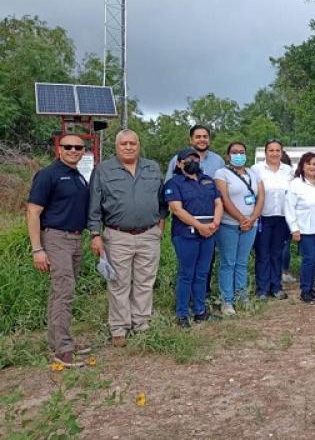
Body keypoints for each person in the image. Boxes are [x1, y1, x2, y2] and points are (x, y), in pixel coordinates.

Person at [88, 130, 168, 348]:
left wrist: (160, 226)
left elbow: (162, 200)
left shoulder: (152, 168)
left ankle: (141, 322)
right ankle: (119, 327)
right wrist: (95, 234)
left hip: (149, 235)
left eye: (133, 143)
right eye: (124, 143)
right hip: (117, 235)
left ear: (139, 145)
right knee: (118, 282)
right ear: (117, 146)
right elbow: (93, 205)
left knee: (145, 281)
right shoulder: (103, 170)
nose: (129, 147)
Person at [26, 134, 92, 367]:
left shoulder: (78, 176)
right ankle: (63, 350)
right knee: (65, 290)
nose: (73, 150)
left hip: (75, 239)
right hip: (56, 238)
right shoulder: (48, 175)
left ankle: (58, 340)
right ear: (59, 149)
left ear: (83, 151)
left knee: (60, 291)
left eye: (78, 147)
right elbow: (33, 211)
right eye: (68, 146)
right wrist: (37, 249)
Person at [165, 148, 223, 328]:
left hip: (209, 234)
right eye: (188, 159)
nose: (193, 162)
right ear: (179, 163)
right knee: (186, 274)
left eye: (196, 159)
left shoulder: (208, 180)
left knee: (202, 274)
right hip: (186, 235)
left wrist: (215, 224)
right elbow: (177, 209)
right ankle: (182, 314)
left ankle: (200, 311)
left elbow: (218, 203)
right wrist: (200, 227)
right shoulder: (174, 183)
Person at [165, 124, 226, 296]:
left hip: (211, 223)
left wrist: (215, 223)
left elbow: (219, 195)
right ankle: (186, 301)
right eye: (198, 136)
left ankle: (203, 297)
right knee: (187, 268)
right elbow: (170, 188)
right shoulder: (177, 159)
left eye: (205, 136)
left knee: (206, 266)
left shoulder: (218, 161)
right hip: (186, 225)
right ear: (191, 139)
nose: (202, 139)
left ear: (209, 139)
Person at [214, 142, 265, 315]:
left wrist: (252, 218)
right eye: (234, 152)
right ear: (228, 155)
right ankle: (227, 300)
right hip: (229, 225)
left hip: (251, 225)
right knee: (228, 263)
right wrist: (242, 219)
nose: (239, 155)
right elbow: (224, 198)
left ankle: (242, 297)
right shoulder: (222, 173)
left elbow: (261, 197)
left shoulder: (253, 173)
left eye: (242, 152)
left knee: (242, 263)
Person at [285, 152, 315, 304]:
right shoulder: (295, 184)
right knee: (308, 259)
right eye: (308, 164)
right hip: (304, 228)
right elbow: (289, 208)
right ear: (302, 165)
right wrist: (294, 228)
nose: (312, 167)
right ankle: (305, 290)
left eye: (314, 164)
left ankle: (311, 288)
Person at [251, 139, 294, 301]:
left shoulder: (288, 170)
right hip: (263, 217)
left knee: (277, 253)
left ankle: (276, 287)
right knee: (263, 253)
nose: (274, 153)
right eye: (271, 150)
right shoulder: (256, 169)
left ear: (281, 152)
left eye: (277, 150)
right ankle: (262, 289)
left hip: (282, 217)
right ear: (265, 152)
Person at [280, 149, 295, 283]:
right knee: (285, 244)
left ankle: (277, 271)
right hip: (288, 214)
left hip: (271, 214)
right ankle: (284, 271)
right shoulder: (292, 176)